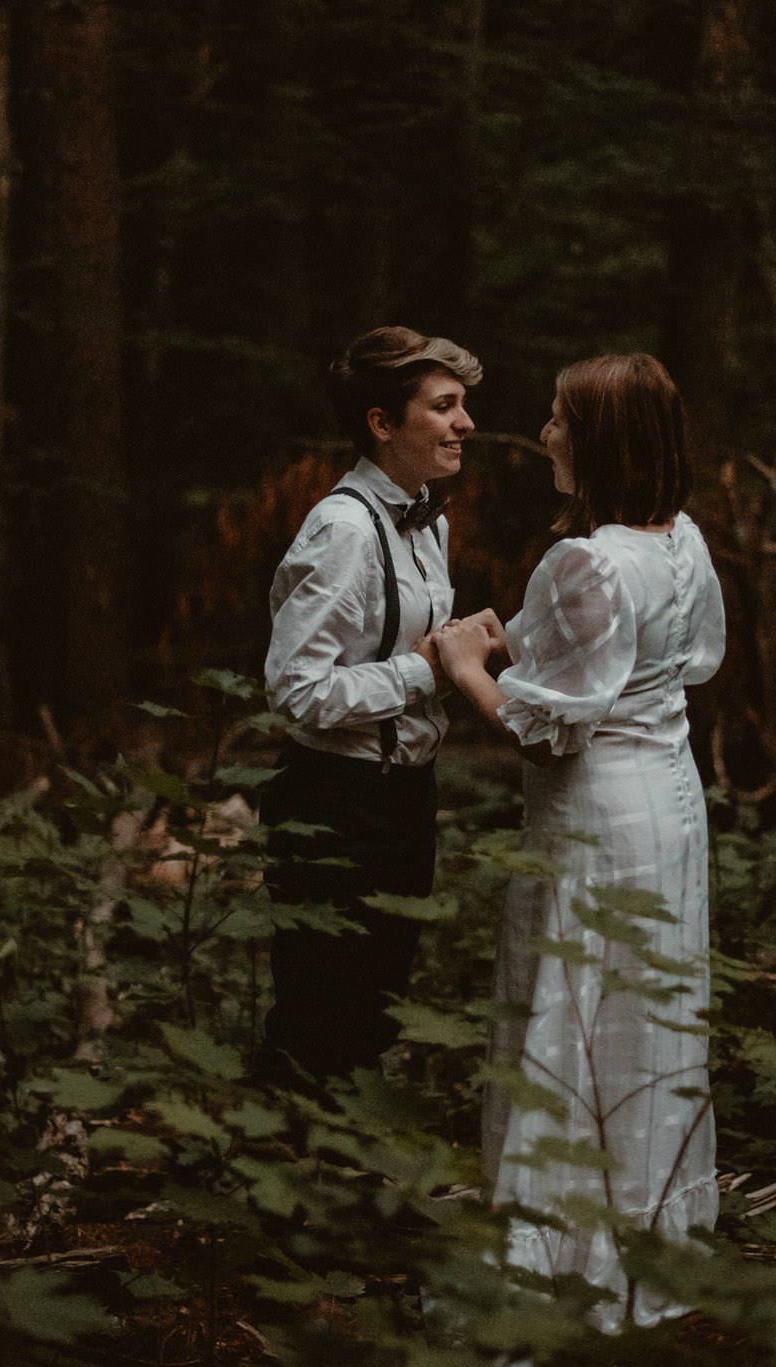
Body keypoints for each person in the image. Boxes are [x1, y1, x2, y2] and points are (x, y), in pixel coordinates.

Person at [432, 353, 727, 1331]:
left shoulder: (586, 559)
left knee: (575, 1001)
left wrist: (466, 660)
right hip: (669, 802)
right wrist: (513, 636)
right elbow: (646, 653)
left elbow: (537, 722)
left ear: (598, 441)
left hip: (597, 807)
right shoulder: (679, 541)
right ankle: (644, 1246)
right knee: (642, 1009)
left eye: (559, 420)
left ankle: (560, 1260)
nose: (545, 434)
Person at [260, 326, 484, 1081]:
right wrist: (425, 669)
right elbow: (297, 688)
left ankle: (346, 1180)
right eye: (444, 406)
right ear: (382, 424)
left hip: (404, 797)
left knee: (376, 1012)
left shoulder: (430, 518)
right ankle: (276, 1174)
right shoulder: (344, 528)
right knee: (317, 1017)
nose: (465, 423)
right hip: (335, 803)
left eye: (463, 406)